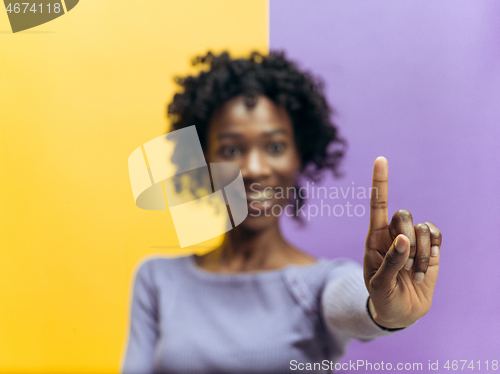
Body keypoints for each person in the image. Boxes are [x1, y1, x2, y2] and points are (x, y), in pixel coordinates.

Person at [121, 50, 442, 374]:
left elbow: (355, 303)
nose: (255, 168)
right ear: (202, 161)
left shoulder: (319, 284)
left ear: (298, 156)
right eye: (231, 149)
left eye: (275, 147)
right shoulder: (158, 280)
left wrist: (385, 311)